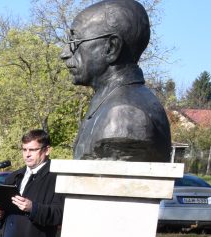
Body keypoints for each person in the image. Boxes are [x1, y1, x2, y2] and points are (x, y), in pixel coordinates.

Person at [62, 0, 169, 162]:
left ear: (111, 47)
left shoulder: (124, 116)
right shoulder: (106, 102)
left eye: (75, 42)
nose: (64, 53)